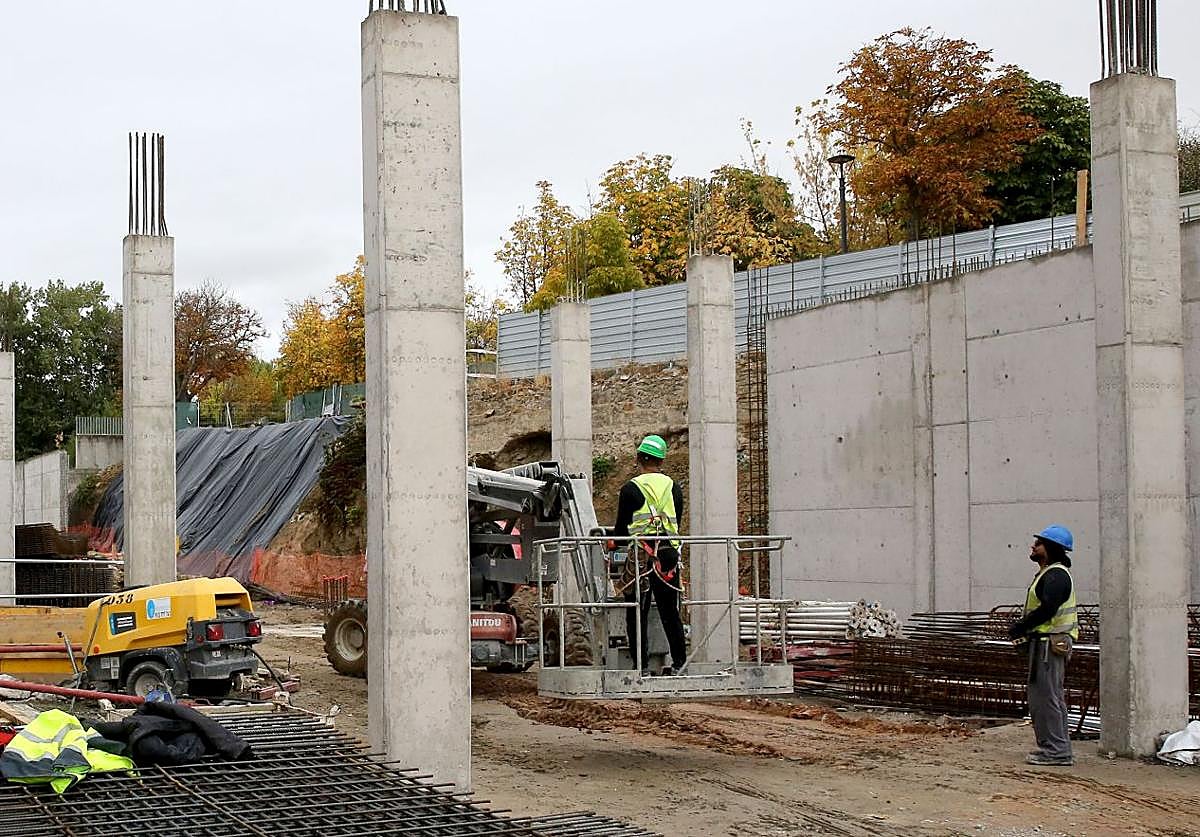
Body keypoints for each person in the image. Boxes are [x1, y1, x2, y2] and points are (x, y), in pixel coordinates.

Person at [612, 434, 687, 676]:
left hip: (641, 557)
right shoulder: (674, 487)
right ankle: (679, 664)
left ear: (639, 459)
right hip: (668, 556)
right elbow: (677, 519)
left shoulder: (631, 488)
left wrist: (612, 543)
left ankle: (641, 667)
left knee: (637, 611)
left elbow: (622, 530)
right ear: (661, 460)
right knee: (669, 611)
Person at [1007, 524, 1079, 766]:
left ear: (1049, 548)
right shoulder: (1049, 574)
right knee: (1047, 697)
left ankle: (1057, 751)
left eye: (1038, 543)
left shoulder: (1056, 576)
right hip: (1046, 643)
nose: (1033, 546)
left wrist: (1021, 627)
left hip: (1050, 645)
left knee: (1046, 698)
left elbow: (1048, 610)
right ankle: (1055, 748)